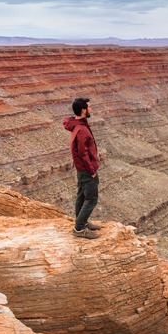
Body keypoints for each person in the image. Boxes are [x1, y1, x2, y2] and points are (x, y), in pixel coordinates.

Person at [63, 97, 102, 239]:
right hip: (87, 170)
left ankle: (82, 222)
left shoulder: (79, 125)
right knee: (91, 199)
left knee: (81, 196)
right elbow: (83, 154)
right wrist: (91, 171)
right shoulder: (81, 130)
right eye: (90, 107)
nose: (92, 109)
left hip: (82, 169)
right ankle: (79, 229)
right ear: (84, 110)